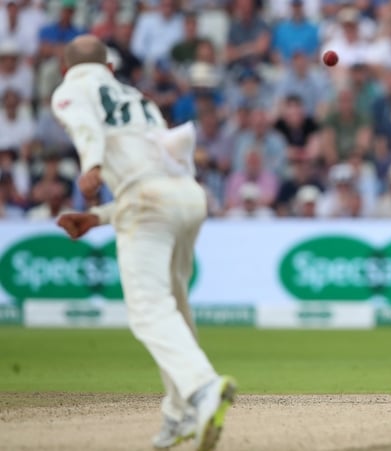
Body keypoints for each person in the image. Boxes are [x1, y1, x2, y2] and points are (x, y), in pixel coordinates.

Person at [50, 35, 236, 450]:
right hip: (188, 196)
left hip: (148, 204)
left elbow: (86, 128)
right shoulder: (139, 99)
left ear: (65, 70)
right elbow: (156, 173)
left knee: (149, 310)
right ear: (111, 69)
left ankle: (202, 389)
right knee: (176, 304)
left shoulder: (71, 89)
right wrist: (97, 217)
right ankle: (178, 415)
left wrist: (92, 165)